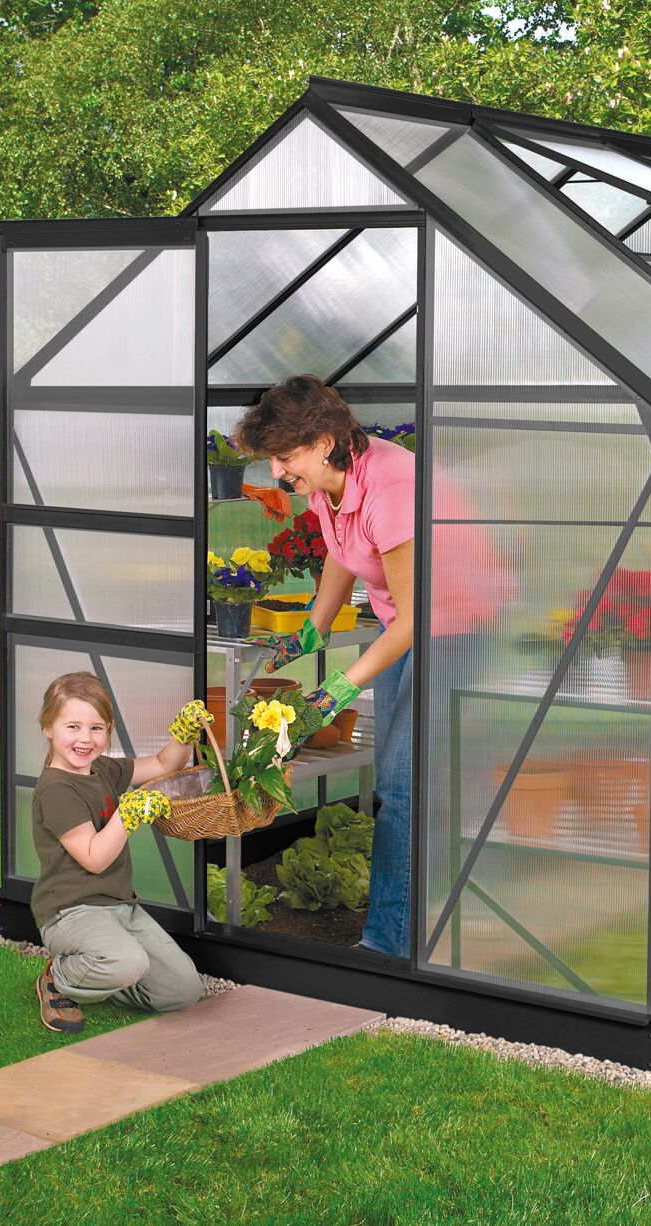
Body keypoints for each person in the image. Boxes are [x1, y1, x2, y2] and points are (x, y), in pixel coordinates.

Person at [234, 376, 418, 957]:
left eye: (284, 458)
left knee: (404, 784)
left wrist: (333, 691)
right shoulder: (329, 483)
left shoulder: (392, 485)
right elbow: (343, 551)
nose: (276, 472)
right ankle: (410, 929)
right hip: (401, 625)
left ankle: (388, 947)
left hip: (456, 626)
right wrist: (314, 627)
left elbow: (416, 620)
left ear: (323, 442)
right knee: (401, 779)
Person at [31, 671, 211, 1033]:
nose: (85, 738)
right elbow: (94, 858)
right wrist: (127, 815)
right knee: (127, 961)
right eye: (73, 727)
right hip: (69, 912)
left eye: (96, 728)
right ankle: (58, 978)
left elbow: (163, 764)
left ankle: (108, 975)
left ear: (108, 730)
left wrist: (184, 735)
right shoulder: (56, 790)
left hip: (120, 907)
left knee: (183, 989)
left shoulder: (102, 769)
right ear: (47, 727)